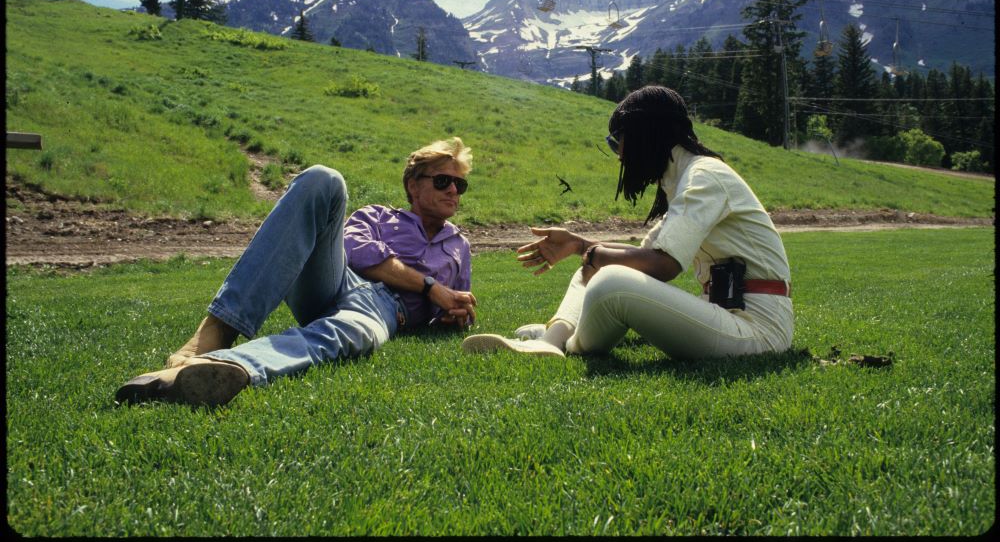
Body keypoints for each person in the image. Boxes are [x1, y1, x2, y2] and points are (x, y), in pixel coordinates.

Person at [116, 137, 477, 407]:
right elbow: (357, 251)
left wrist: (454, 314)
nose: (453, 191)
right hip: (334, 280)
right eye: (443, 180)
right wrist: (430, 287)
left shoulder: (460, 246)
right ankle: (217, 329)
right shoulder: (377, 216)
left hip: (384, 310)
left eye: (459, 185)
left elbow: (453, 304)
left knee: (351, 333)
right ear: (414, 185)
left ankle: (218, 367)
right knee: (324, 180)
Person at [463, 85, 793, 360]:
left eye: (617, 140)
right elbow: (645, 255)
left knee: (610, 281)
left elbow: (663, 266)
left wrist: (596, 255)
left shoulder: (703, 177)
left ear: (643, 134)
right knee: (595, 268)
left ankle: (564, 343)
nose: (619, 153)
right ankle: (551, 340)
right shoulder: (686, 178)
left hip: (756, 328)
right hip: (727, 314)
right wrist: (581, 246)